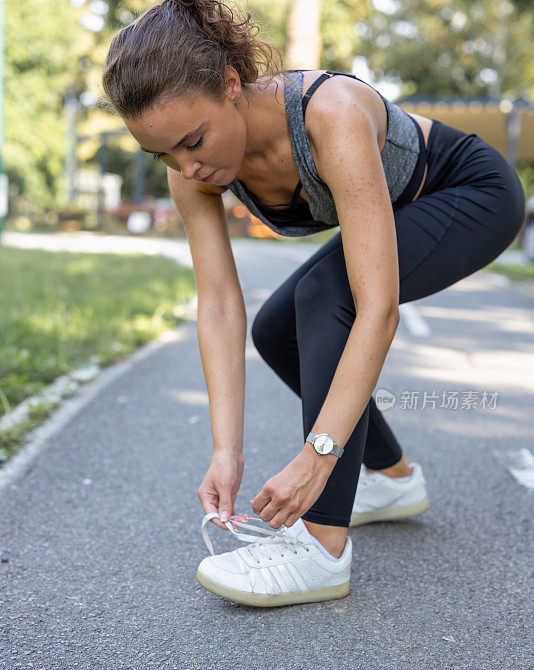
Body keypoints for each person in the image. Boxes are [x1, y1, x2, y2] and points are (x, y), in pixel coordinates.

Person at [102, 0, 526, 608]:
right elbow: (220, 304)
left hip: (471, 192)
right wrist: (226, 451)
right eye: (165, 156)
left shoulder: (328, 115)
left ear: (229, 85)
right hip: (398, 211)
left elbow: (376, 309)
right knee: (278, 331)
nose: (188, 168)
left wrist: (316, 458)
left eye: (192, 142)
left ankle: (322, 546)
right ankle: (392, 478)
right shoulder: (191, 168)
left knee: (327, 295)